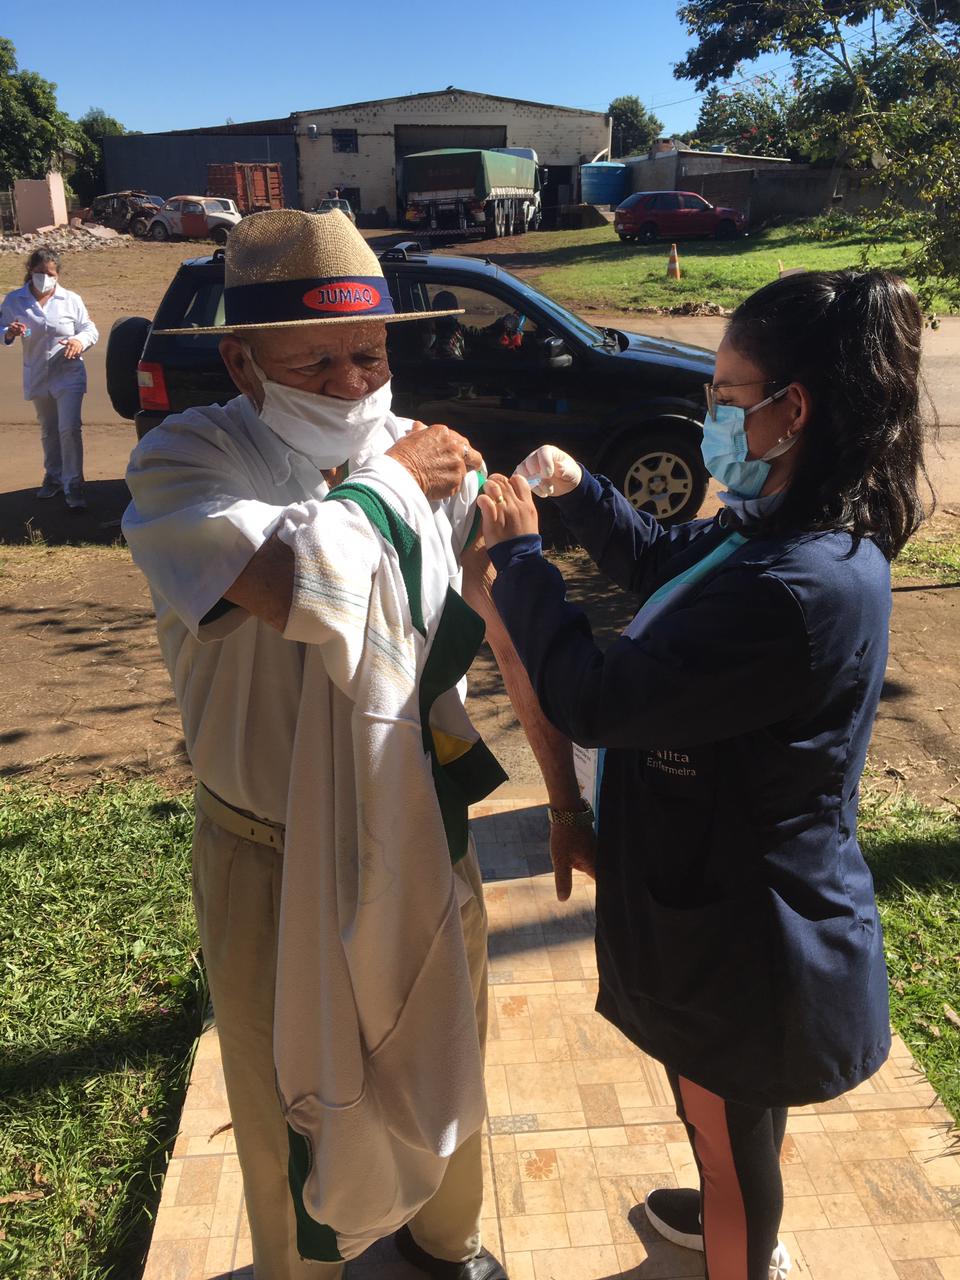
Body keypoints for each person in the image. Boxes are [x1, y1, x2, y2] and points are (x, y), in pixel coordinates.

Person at [123, 208, 591, 1280]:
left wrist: (565, 797)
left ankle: (447, 1238)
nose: (351, 384)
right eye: (316, 362)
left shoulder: (418, 453)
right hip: (269, 848)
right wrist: (397, 483)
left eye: (370, 354)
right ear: (242, 362)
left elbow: (486, 615)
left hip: (421, 819)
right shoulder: (188, 460)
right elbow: (289, 583)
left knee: (448, 1038)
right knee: (283, 1086)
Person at [477, 269, 927, 1280]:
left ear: (791, 410)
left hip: (743, 933)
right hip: (734, 901)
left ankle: (742, 1244)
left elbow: (595, 697)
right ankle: (740, 1218)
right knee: (734, 1108)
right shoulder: (785, 531)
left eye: (725, 397)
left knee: (726, 1136)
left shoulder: (791, 588)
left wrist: (522, 562)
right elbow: (671, 563)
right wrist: (582, 492)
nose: (711, 416)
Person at [1, 248, 99, 511]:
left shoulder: (71, 300)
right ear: (30, 271)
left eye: (50, 273)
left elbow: (89, 328)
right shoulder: (15, 300)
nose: (45, 278)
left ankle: (73, 483)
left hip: (68, 374)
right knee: (49, 429)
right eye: (39, 272)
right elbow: (2, 328)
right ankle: (53, 476)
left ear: (58, 275)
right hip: (37, 373)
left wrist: (79, 341)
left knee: (69, 428)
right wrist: (9, 332)